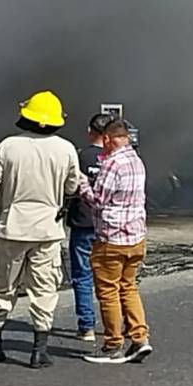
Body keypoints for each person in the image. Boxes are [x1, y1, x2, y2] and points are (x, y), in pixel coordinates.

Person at [0, 91, 80, 369]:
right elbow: (72, 186)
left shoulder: (7, 146)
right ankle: (38, 351)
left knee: (3, 286)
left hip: (12, 228)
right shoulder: (66, 149)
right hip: (48, 230)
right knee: (44, 289)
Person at [78, 119, 153, 364]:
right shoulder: (137, 161)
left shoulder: (112, 164)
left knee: (108, 291)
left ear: (108, 139)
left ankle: (113, 345)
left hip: (111, 238)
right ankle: (140, 338)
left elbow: (98, 200)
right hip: (136, 237)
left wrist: (81, 184)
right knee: (128, 287)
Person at [65, 113, 113, 343]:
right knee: (111, 277)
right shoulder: (116, 157)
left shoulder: (80, 156)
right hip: (110, 223)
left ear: (89, 131)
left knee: (82, 275)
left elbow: (70, 186)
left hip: (83, 221)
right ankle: (115, 326)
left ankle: (87, 327)